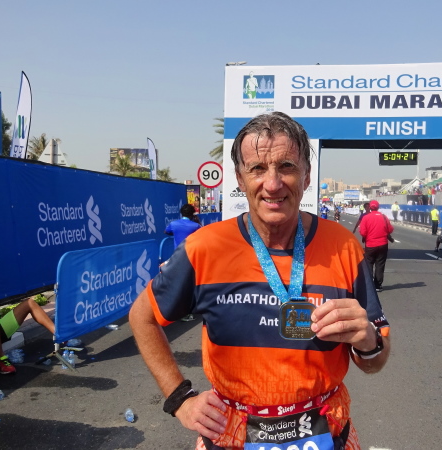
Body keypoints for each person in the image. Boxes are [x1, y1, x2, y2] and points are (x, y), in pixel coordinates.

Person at [129, 112, 390, 450]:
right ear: (240, 178)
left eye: (286, 166)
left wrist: (369, 343)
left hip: (327, 432)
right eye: (257, 168)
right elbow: (143, 317)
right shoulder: (204, 248)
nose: (273, 183)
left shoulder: (343, 246)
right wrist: (179, 399)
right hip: (231, 436)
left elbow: (375, 361)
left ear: (306, 176)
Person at [359, 200, 394, 292]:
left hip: (370, 245)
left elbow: (363, 232)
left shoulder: (366, 217)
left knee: (369, 264)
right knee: (380, 264)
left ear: (370, 207)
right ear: (378, 207)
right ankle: (378, 285)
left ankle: (369, 285)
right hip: (383, 244)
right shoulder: (383, 217)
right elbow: (390, 229)